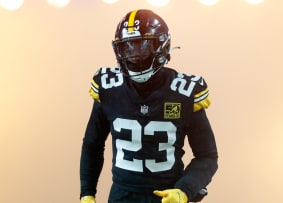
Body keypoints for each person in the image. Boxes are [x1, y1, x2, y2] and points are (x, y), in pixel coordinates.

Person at [79, 9, 218, 203]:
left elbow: (207, 156)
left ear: (162, 45)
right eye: (127, 48)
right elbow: (92, 145)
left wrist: (184, 190)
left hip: (168, 196)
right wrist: (87, 192)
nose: (134, 55)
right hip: (122, 196)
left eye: (141, 46)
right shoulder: (109, 88)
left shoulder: (184, 92)